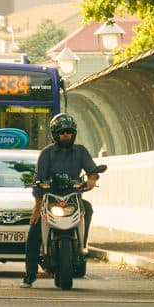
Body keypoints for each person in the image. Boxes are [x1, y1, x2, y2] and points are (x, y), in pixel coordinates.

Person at [23, 113, 99, 287]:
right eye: (62, 132)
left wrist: (92, 179)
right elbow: (38, 181)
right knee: (34, 230)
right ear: (55, 134)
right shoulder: (46, 154)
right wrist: (37, 208)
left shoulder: (81, 151)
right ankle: (30, 274)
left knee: (87, 207)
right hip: (51, 199)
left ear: (74, 133)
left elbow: (92, 169)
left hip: (73, 197)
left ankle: (82, 246)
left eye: (69, 132)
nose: (66, 135)